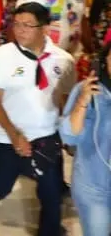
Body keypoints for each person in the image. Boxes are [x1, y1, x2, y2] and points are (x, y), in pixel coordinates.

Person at [0, 2, 74, 236]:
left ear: (45, 28)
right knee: (1, 185)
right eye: (16, 24)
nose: (20, 30)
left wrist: (70, 136)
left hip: (48, 137)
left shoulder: (64, 60)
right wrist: (14, 135)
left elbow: (64, 101)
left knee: (51, 195)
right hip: (8, 139)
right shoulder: (3, 55)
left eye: (28, 25)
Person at [60, 41, 111, 236]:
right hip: (95, 190)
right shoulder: (88, 92)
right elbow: (69, 137)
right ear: (104, 60)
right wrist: (82, 101)